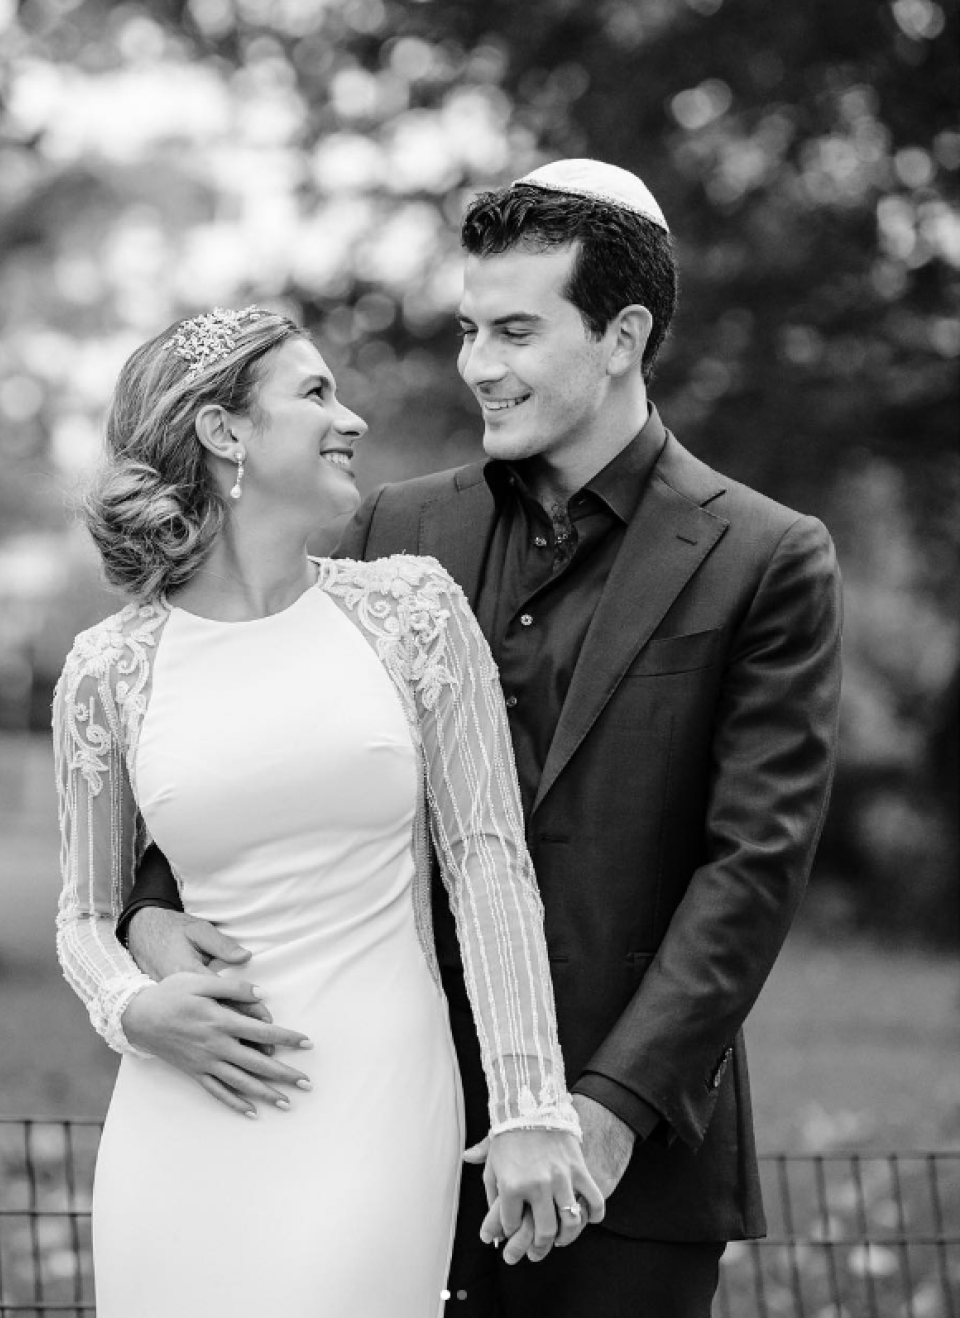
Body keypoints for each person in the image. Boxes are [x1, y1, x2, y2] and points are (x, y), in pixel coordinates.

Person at [122, 161, 843, 1317]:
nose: (477, 366)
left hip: (621, 1166)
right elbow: (265, 749)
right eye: (468, 330)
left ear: (621, 337)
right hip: (360, 1120)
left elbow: (749, 869)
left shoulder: (764, 556)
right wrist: (152, 914)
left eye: (514, 331)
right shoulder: (389, 524)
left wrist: (601, 1112)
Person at [52, 305, 606, 1318]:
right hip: (179, 1109)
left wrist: (531, 1103)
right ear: (225, 431)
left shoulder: (411, 612)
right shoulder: (110, 669)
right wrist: (132, 1008)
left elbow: (488, 862)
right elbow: (85, 914)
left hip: (376, 1099)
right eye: (314, 393)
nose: (350, 419)